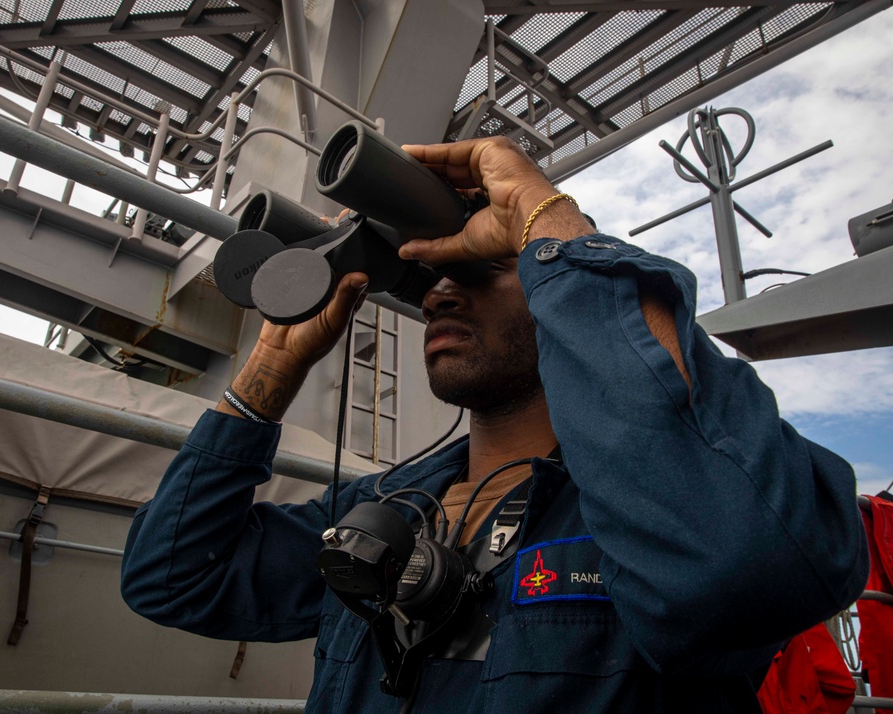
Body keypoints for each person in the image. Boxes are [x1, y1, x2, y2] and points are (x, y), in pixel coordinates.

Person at [121, 136, 869, 713]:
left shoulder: (655, 512)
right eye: (428, 283)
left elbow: (749, 569)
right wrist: (269, 373)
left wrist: (550, 222)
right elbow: (176, 578)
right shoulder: (385, 508)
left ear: (561, 294)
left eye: (484, 269)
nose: (441, 296)